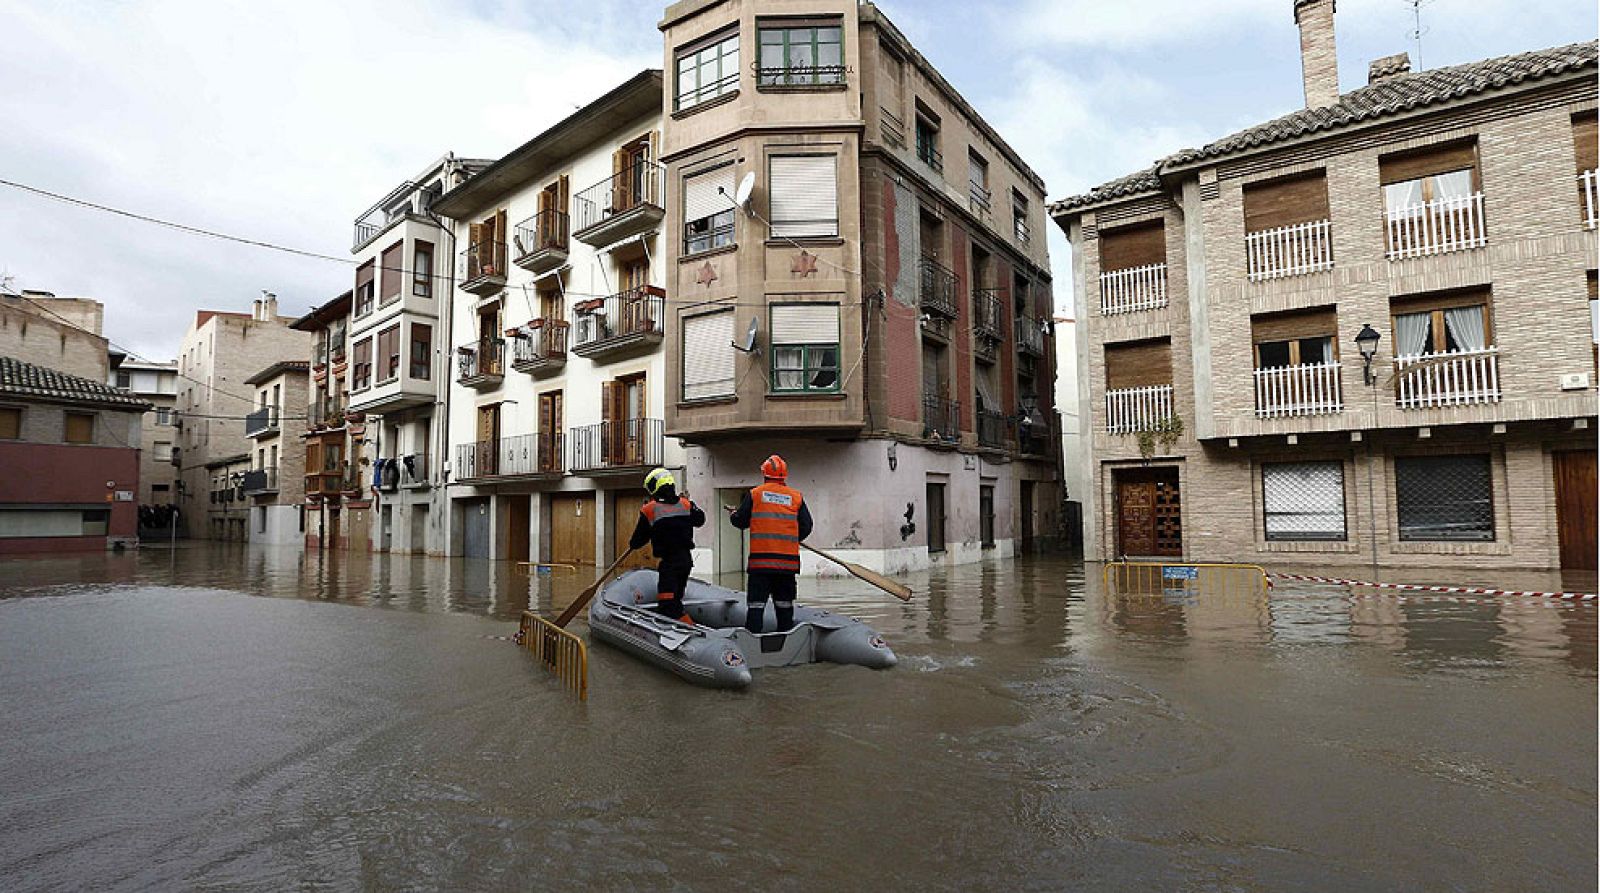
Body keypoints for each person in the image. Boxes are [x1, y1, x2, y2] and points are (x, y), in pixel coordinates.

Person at [729, 454, 813, 634]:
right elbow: (807, 525)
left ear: (764, 474)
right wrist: (791, 540)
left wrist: (733, 515)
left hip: (761, 565)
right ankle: (786, 644)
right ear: (784, 475)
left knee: (756, 607)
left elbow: (741, 522)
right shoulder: (796, 497)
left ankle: (754, 645)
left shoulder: (755, 494)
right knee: (784, 607)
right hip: (787, 566)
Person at [629, 467, 705, 624]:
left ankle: (690, 629)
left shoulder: (649, 509)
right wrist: (690, 503)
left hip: (670, 564)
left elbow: (637, 541)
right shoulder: (685, 505)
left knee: (668, 605)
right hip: (685, 562)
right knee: (675, 599)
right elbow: (700, 520)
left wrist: (635, 542)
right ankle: (683, 624)